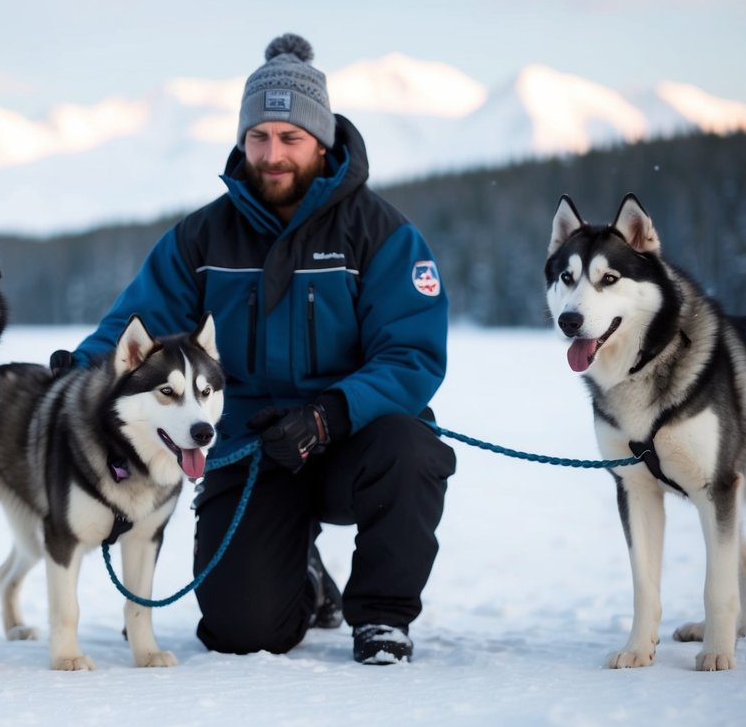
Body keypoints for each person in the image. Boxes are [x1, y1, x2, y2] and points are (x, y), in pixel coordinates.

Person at [59, 33, 456, 664]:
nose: (272, 155)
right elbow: (138, 326)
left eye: (290, 137)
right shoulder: (202, 237)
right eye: (258, 137)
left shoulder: (381, 234)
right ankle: (304, 577)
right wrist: (79, 370)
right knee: (241, 632)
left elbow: (411, 355)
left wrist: (326, 415)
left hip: (352, 438)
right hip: (248, 447)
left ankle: (382, 617)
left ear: (321, 140)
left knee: (412, 450)